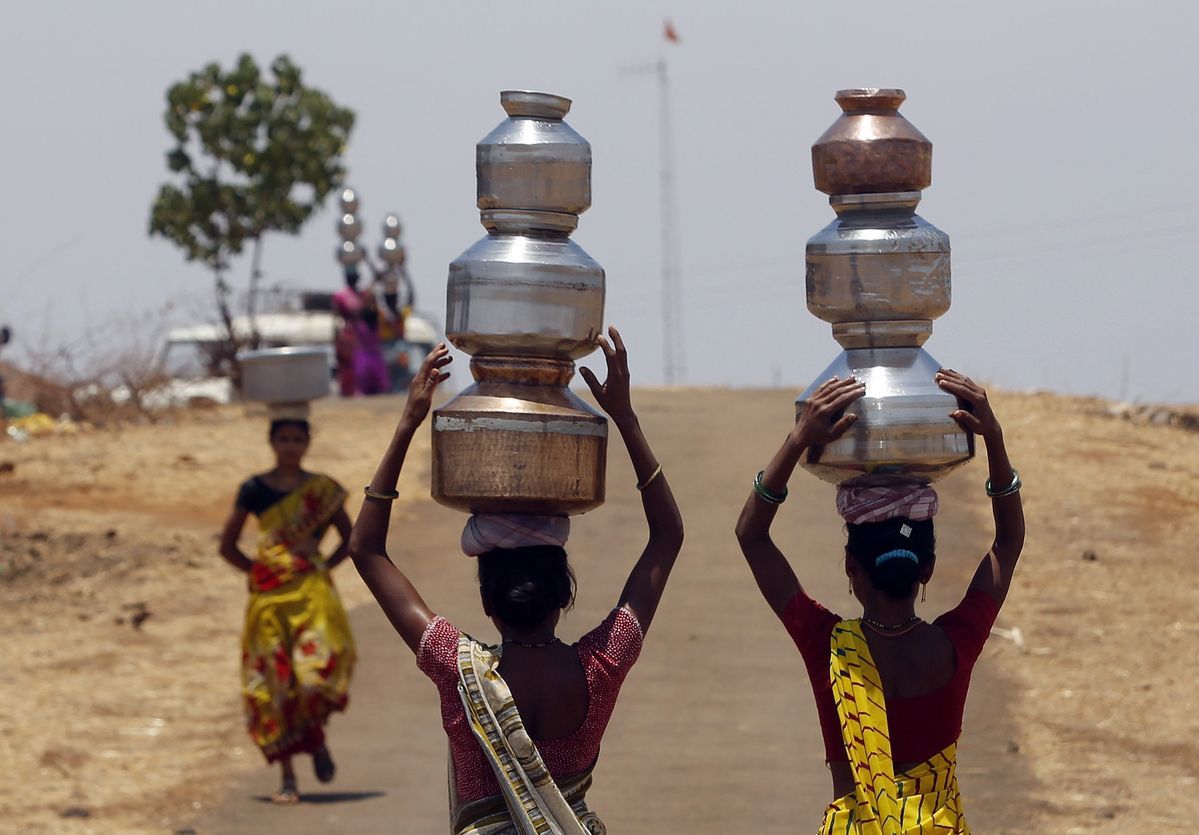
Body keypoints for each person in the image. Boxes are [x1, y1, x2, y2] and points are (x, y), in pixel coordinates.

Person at [349, 327, 684, 833]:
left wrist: (409, 423)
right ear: (562, 594)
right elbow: (667, 537)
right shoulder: (603, 665)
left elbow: (366, 550)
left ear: (488, 601)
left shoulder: (458, 669)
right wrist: (626, 420)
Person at [735, 369, 1024, 833]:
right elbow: (1008, 543)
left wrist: (796, 440)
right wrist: (994, 438)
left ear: (851, 567)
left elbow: (751, 535)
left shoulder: (829, 649)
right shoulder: (955, 646)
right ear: (926, 570)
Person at [218, 417, 357, 804]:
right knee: (276, 683)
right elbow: (227, 546)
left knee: (315, 676)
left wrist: (322, 566)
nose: (291, 446)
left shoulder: (323, 490)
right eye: (284, 439)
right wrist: (259, 572)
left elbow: (353, 540)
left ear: (308, 442)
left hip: (312, 594)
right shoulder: (254, 488)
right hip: (267, 600)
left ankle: (315, 741)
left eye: (298, 439)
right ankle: (288, 777)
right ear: (272, 442)